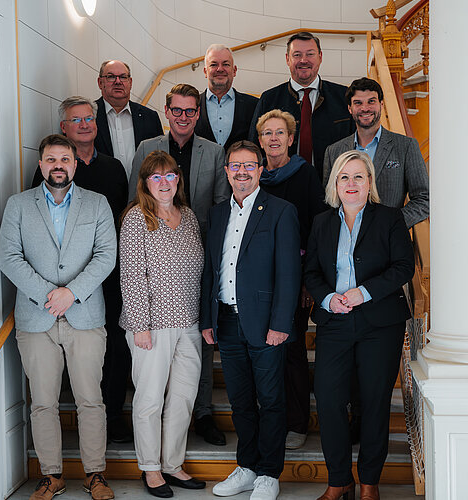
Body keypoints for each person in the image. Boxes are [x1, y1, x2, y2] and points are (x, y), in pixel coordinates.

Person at [0, 134, 117, 500]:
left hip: (85, 315)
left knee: (90, 400)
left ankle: (95, 474)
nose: (58, 166)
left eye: (64, 159)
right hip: (36, 319)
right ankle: (52, 475)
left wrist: (72, 292)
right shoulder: (18, 205)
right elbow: (8, 257)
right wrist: (49, 295)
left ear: (75, 164)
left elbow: (106, 256)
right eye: (51, 160)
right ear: (41, 165)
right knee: (43, 402)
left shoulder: (97, 205)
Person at [304, 150, 414, 500]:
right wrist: (327, 298)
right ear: (335, 184)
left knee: (374, 401)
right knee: (329, 400)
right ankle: (339, 480)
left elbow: (403, 267)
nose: (351, 184)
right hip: (334, 323)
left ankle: (369, 482)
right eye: (344, 177)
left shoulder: (390, 218)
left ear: (370, 183)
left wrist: (362, 293)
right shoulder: (321, 223)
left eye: (358, 177)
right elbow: (311, 273)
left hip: (380, 324)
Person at [131, 83, 231, 446]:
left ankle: (201, 413)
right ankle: (154, 439)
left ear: (198, 113)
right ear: (167, 110)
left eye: (191, 111)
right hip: (156, 255)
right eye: (178, 110)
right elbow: (134, 200)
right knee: (156, 370)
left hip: (197, 255)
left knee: (199, 344)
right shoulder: (147, 148)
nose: (184, 117)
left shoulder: (214, 151)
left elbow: (220, 206)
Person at [201, 141, 301, 500]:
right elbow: (210, 271)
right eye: (234, 166)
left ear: (260, 170)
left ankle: (269, 473)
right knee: (240, 399)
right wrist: (207, 319)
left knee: (271, 400)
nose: (241, 172)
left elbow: (289, 274)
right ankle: (246, 466)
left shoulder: (280, 210)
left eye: (248, 166)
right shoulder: (215, 214)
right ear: (226, 171)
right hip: (225, 321)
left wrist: (281, 323)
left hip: (264, 323)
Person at [31, 96, 133, 444]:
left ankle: (115, 414)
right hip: (62, 285)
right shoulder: (50, 169)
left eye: (89, 118)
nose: (85, 125)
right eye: (77, 120)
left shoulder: (115, 167)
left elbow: (124, 219)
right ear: (64, 127)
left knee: (116, 347)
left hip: (107, 274)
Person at [119, 151, 207, 498]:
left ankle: (172, 464)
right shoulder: (136, 218)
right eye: (156, 177)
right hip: (152, 325)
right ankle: (151, 469)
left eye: (170, 175)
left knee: (183, 397)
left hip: (189, 322)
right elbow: (131, 276)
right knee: (151, 399)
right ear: (145, 183)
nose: (164, 182)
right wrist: (140, 325)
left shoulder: (187, 215)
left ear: (178, 179)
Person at [255, 109, 328, 450]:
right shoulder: (253, 176)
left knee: (292, 350)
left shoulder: (306, 174)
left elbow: (316, 229)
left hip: (293, 278)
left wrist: (306, 282)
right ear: (260, 140)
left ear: (290, 138)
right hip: (257, 280)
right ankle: (271, 418)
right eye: (267, 133)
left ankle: (297, 421)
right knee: (263, 351)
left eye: (279, 132)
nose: (273, 138)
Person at [323, 77, 429, 228]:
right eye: (358, 103)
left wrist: (393, 224)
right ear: (349, 108)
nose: (365, 108)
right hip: (346, 240)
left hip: (387, 242)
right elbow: (330, 200)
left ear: (381, 105)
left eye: (371, 101)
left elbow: (424, 198)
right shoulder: (334, 151)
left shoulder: (405, 146)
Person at [249, 32, 353, 181]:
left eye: (310, 54)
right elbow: (254, 148)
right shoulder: (269, 99)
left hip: (334, 188)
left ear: (320, 57)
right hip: (280, 189)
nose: (304, 60)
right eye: (297, 55)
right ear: (287, 59)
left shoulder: (343, 97)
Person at [94, 60, 164, 178]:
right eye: (111, 77)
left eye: (123, 77)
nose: (118, 82)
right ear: (100, 83)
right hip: (102, 192)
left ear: (130, 82)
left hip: (143, 192)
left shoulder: (150, 117)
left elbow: (161, 158)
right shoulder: (89, 116)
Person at [195, 44, 259, 151]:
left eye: (225, 64)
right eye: (214, 64)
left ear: (234, 71)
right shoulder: (193, 105)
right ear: (205, 71)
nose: (220, 69)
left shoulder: (254, 105)